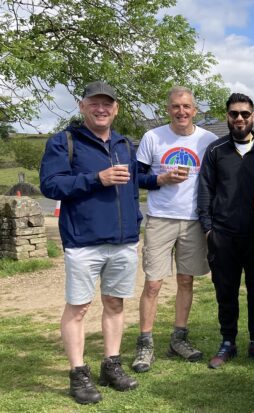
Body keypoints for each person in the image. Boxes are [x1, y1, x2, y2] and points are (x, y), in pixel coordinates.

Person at [40, 81, 141, 404]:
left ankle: (111, 365)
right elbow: (51, 185)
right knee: (79, 307)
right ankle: (78, 373)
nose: (101, 109)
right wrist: (96, 179)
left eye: (107, 104)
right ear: (82, 106)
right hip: (84, 242)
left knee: (115, 304)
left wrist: (161, 182)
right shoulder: (65, 142)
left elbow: (136, 182)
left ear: (116, 108)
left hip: (124, 242)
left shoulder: (125, 144)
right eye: (94, 103)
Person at [131, 86, 217, 372]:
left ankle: (178, 338)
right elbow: (137, 177)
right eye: (176, 106)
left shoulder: (209, 140)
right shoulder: (152, 137)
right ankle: (145, 343)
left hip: (193, 220)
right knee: (153, 283)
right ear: (168, 109)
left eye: (187, 106)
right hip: (160, 218)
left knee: (185, 281)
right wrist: (161, 179)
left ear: (195, 110)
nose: (181, 111)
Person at [197, 93, 254, 368]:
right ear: (227, 117)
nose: (239, 118)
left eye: (244, 113)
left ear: (253, 116)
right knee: (225, 291)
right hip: (223, 236)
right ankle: (227, 341)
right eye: (233, 114)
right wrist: (208, 229)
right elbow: (205, 189)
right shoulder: (216, 151)